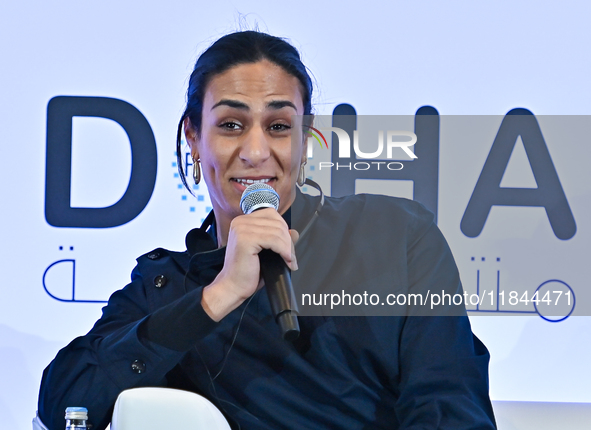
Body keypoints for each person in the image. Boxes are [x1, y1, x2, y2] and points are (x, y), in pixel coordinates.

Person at [38, 30, 497, 429]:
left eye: (278, 126)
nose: (256, 152)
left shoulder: (395, 236)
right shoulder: (168, 287)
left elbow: (451, 407)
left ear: (305, 138)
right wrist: (217, 297)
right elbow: (66, 405)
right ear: (194, 139)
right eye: (231, 124)